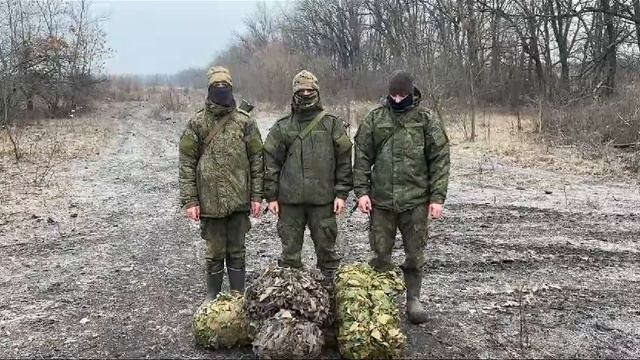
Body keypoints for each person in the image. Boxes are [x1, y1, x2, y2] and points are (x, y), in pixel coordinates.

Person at [353, 70, 450, 324]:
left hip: (416, 201)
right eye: (393, 95)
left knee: (415, 254)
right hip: (382, 201)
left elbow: (440, 158)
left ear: (411, 93)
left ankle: (413, 299)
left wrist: (437, 198)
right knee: (380, 255)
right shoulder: (375, 118)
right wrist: (361, 192)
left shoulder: (426, 119)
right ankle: (380, 301)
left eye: (402, 95)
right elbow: (362, 157)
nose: (397, 100)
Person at [178, 66, 264, 300]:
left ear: (231, 88)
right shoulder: (197, 124)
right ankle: (212, 295)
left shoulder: (245, 122)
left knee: (237, 250)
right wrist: (191, 200)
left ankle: (238, 294)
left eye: (224, 86)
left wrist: (257, 197)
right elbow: (186, 163)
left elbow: (257, 160)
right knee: (214, 252)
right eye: (216, 87)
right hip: (209, 202)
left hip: (239, 201)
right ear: (209, 90)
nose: (221, 90)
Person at [263, 70, 353, 283]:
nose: (305, 93)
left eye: (309, 90)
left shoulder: (331, 124)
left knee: (328, 256)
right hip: (289, 203)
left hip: (323, 201)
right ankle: (291, 302)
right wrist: (272, 197)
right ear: (294, 92)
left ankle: (331, 297)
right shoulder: (283, 125)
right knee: (290, 258)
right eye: (301, 90)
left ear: (317, 92)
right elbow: (270, 162)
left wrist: (341, 193)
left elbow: (344, 160)